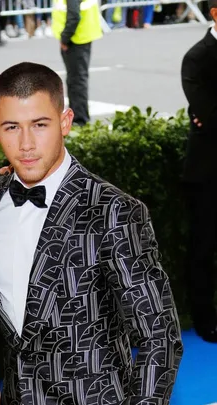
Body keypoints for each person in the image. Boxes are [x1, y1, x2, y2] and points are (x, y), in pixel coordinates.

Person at [0, 62, 183, 404]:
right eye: (12, 127)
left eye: (39, 125)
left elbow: (159, 335)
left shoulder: (112, 210)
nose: (26, 144)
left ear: (65, 122)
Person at [180, 0, 217, 343]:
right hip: (208, 172)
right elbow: (209, 113)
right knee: (204, 246)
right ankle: (205, 318)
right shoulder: (198, 56)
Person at [51, 0, 103, 126]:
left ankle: (80, 119)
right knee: (75, 79)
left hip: (76, 39)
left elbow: (74, 15)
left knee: (76, 81)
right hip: (81, 36)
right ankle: (77, 116)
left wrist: (65, 37)